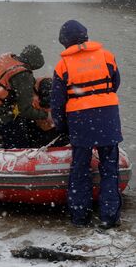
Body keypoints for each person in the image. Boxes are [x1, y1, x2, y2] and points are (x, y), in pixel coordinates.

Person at [50, 20, 122, 229]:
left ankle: (80, 216)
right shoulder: (107, 56)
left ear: (65, 42)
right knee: (110, 168)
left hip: (80, 121)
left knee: (80, 169)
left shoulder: (63, 65)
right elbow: (115, 83)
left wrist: (62, 127)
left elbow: (57, 102)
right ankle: (109, 216)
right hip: (108, 117)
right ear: (85, 36)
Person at [0, 45, 49, 148]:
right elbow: (25, 110)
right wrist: (45, 115)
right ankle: (18, 150)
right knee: (21, 133)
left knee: (19, 118)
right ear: (34, 64)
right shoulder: (23, 75)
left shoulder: (5, 58)